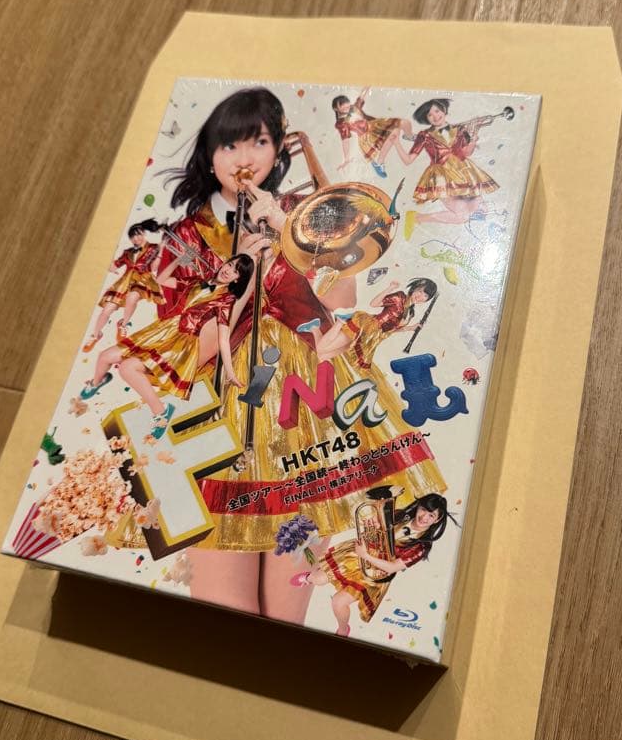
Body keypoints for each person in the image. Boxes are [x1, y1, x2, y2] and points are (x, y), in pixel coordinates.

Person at [155, 88, 446, 627]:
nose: (244, 158)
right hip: (224, 404)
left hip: (306, 408)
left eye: (258, 142)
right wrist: (238, 278)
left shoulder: (299, 212)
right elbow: (180, 341)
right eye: (229, 144)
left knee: (284, 619)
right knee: (222, 610)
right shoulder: (188, 235)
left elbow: (342, 299)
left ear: (277, 148)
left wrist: (289, 237)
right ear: (209, 154)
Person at [79, 255, 252, 438]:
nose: (228, 271)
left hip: (178, 344)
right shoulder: (197, 281)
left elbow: (223, 339)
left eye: (235, 272)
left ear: (237, 279)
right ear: (224, 263)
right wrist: (178, 260)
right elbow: (161, 280)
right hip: (160, 331)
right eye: (230, 265)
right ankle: (96, 382)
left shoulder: (226, 300)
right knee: (104, 357)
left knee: (127, 368)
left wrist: (230, 372)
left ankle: (161, 412)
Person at [290, 492, 451, 636]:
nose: (424, 517)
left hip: (375, 574)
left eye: (431, 515)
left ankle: (343, 629)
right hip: (358, 555)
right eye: (423, 510)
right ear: (418, 506)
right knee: (317, 580)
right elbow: (375, 526)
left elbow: (392, 567)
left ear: (437, 520)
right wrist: (373, 522)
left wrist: (366, 556)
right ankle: (309, 577)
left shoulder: (421, 547)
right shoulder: (400, 515)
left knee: (338, 602)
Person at [394, 98, 501, 239]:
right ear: (427, 118)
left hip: (465, 172)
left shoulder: (459, 130)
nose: (435, 116)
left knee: (482, 209)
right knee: (462, 216)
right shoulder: (425, 135)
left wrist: (473, 137)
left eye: (437, 111)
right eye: (430, 115)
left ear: (444, 110)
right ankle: (416, 218)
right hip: (442, 176)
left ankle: (417, 218)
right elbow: (408, 160)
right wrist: (396, 142)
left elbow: (466, 153)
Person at [297, 278, 437, 368]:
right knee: (321, 349)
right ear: (414, 289)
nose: (420, 296)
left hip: (372, 338)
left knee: (323, 356)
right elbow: (374, 303)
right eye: (420, 291)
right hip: (365, 327)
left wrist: (410, 328)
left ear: (427, 300)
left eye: (425, 295)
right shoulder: (399, 297)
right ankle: (337, 322)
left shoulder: (411, 313)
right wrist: (390, 288)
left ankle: (315, 328)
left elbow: (392, 329)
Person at [82, 219, 165, 351]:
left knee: (132, 298)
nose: (136, 238)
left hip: (142, 281)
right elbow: (114, 266)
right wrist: (109, 259)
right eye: (133, 237)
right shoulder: (128, 252)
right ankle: (95, 335)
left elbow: (154, 268)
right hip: (124, 283)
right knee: (107, 310)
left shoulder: (154, 248)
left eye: (138, 234)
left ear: (143, 233)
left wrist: (160, 252)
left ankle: (123, 324)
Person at [333, 88, 411, 178]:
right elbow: (345, 140)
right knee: (395, 132)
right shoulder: (342, 123)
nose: (346, 105)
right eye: (342, 104)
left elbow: (362, 96)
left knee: (404, 123)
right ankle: (379, 162)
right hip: (367, 137)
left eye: (346, 102)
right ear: (336, 108)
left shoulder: (354, 107)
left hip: (375, 125)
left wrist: (368, 85)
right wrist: (346, 159)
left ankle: (409, 135)